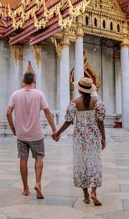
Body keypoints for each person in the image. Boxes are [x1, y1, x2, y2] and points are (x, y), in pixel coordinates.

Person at [53, 77, 106, 206]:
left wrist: (58, 132)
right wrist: (103, 138)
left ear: (80, 90)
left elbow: (68, 121)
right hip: (93, 137)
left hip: (80, 138)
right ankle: (94, 192)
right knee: (94, 163)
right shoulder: (98, 102)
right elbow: (100, 122)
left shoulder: (74, 102)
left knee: (81, 164)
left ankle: (86, 196)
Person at [6, 72, 57, 199]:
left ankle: (25, 188)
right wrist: (54, 129)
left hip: (21, 134)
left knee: (23, 159)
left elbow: (8, 113)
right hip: (36, 134)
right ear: (34, 80)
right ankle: (38, 183)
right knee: (39, 157)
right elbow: (47, 112)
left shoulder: (15, 94)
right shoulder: (39, 94)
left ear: (23, 81)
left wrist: (13, 128)